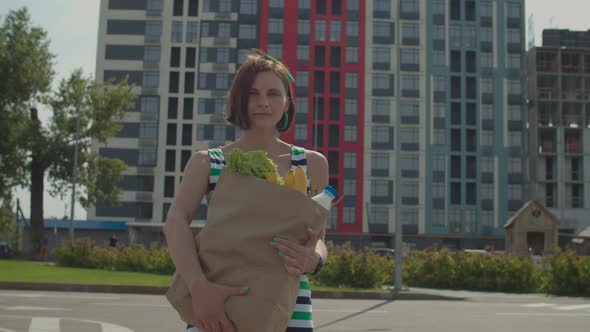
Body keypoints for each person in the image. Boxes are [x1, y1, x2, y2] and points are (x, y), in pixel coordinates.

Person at [163, 50, 329, 332]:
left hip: (288, 309)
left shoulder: (312, 164)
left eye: (274, 94)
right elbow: (175, 222)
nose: (264, 103)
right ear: (238, 99)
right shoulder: (208, 162)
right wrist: (199, 288)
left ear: (287, 101)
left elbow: (319, 239)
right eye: (253, 93)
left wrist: (315, 260)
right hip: (216, 305)